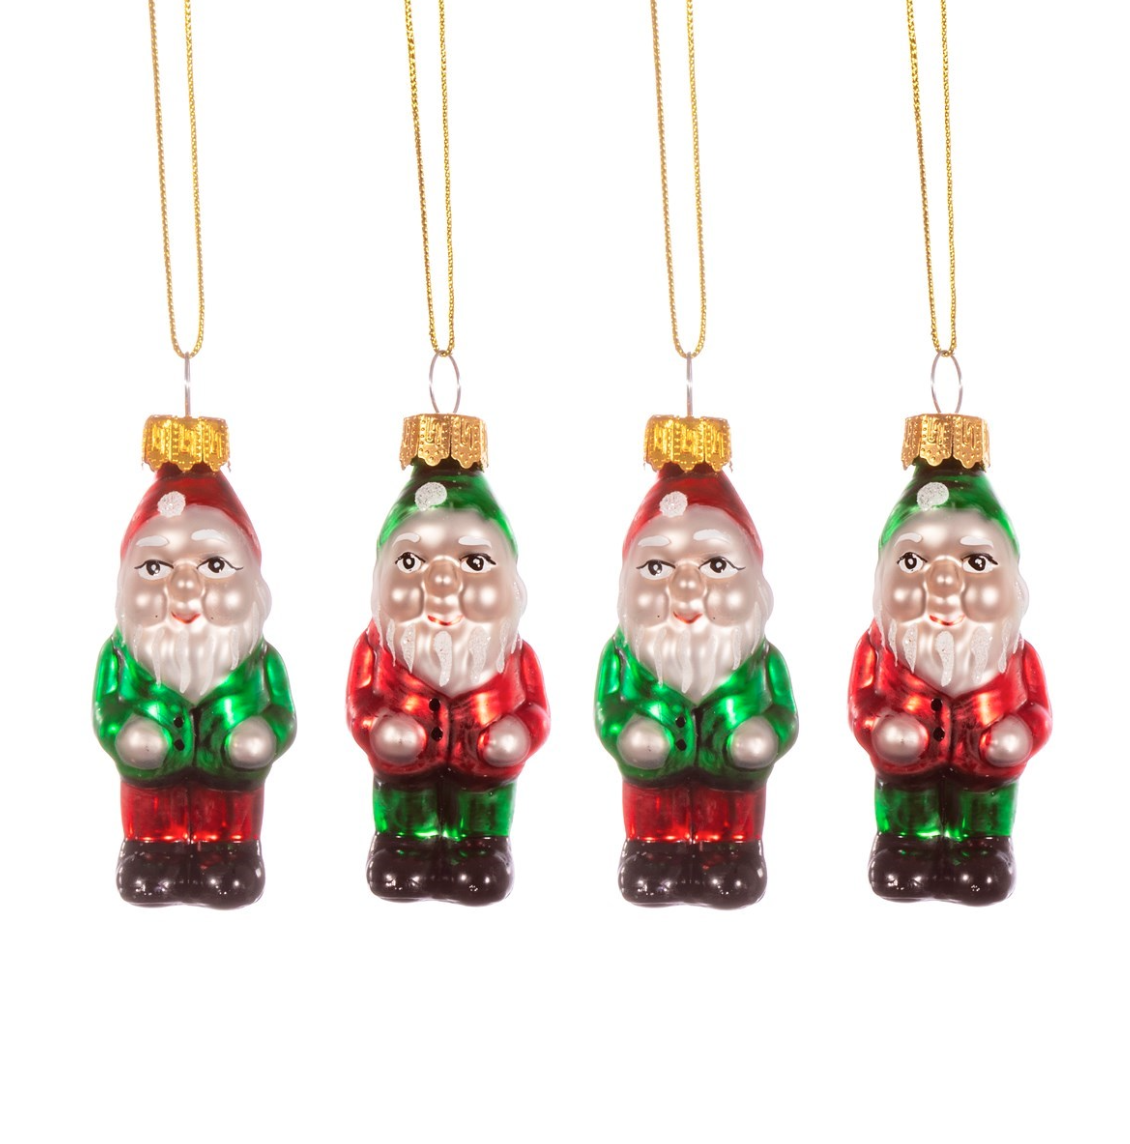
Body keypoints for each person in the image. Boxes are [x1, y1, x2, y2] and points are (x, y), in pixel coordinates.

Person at [850, 428, 1050, 904]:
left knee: (984, 810)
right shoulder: (879, 648)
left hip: (987, 774)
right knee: (906, 806)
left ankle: (985, 848)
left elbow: (1038, 709)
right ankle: (903, 845)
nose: (943, 584)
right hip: (904, 774)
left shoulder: (1015, 655)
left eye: (976, 563)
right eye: (913, 562)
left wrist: (1021, 731)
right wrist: (879, 727)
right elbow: (861, 702)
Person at [94, 448, 296, 909]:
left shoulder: (260, 661)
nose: (184, 589)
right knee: (152, 815)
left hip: (234, 791)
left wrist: (265, 733)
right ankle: (150, 853)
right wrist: (123, 732)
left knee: (230, 822)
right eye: (154, 568)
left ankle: (232, 855)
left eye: (215, 566)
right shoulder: (121, 657)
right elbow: (106, 707)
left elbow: (283, 713)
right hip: (149, 787)